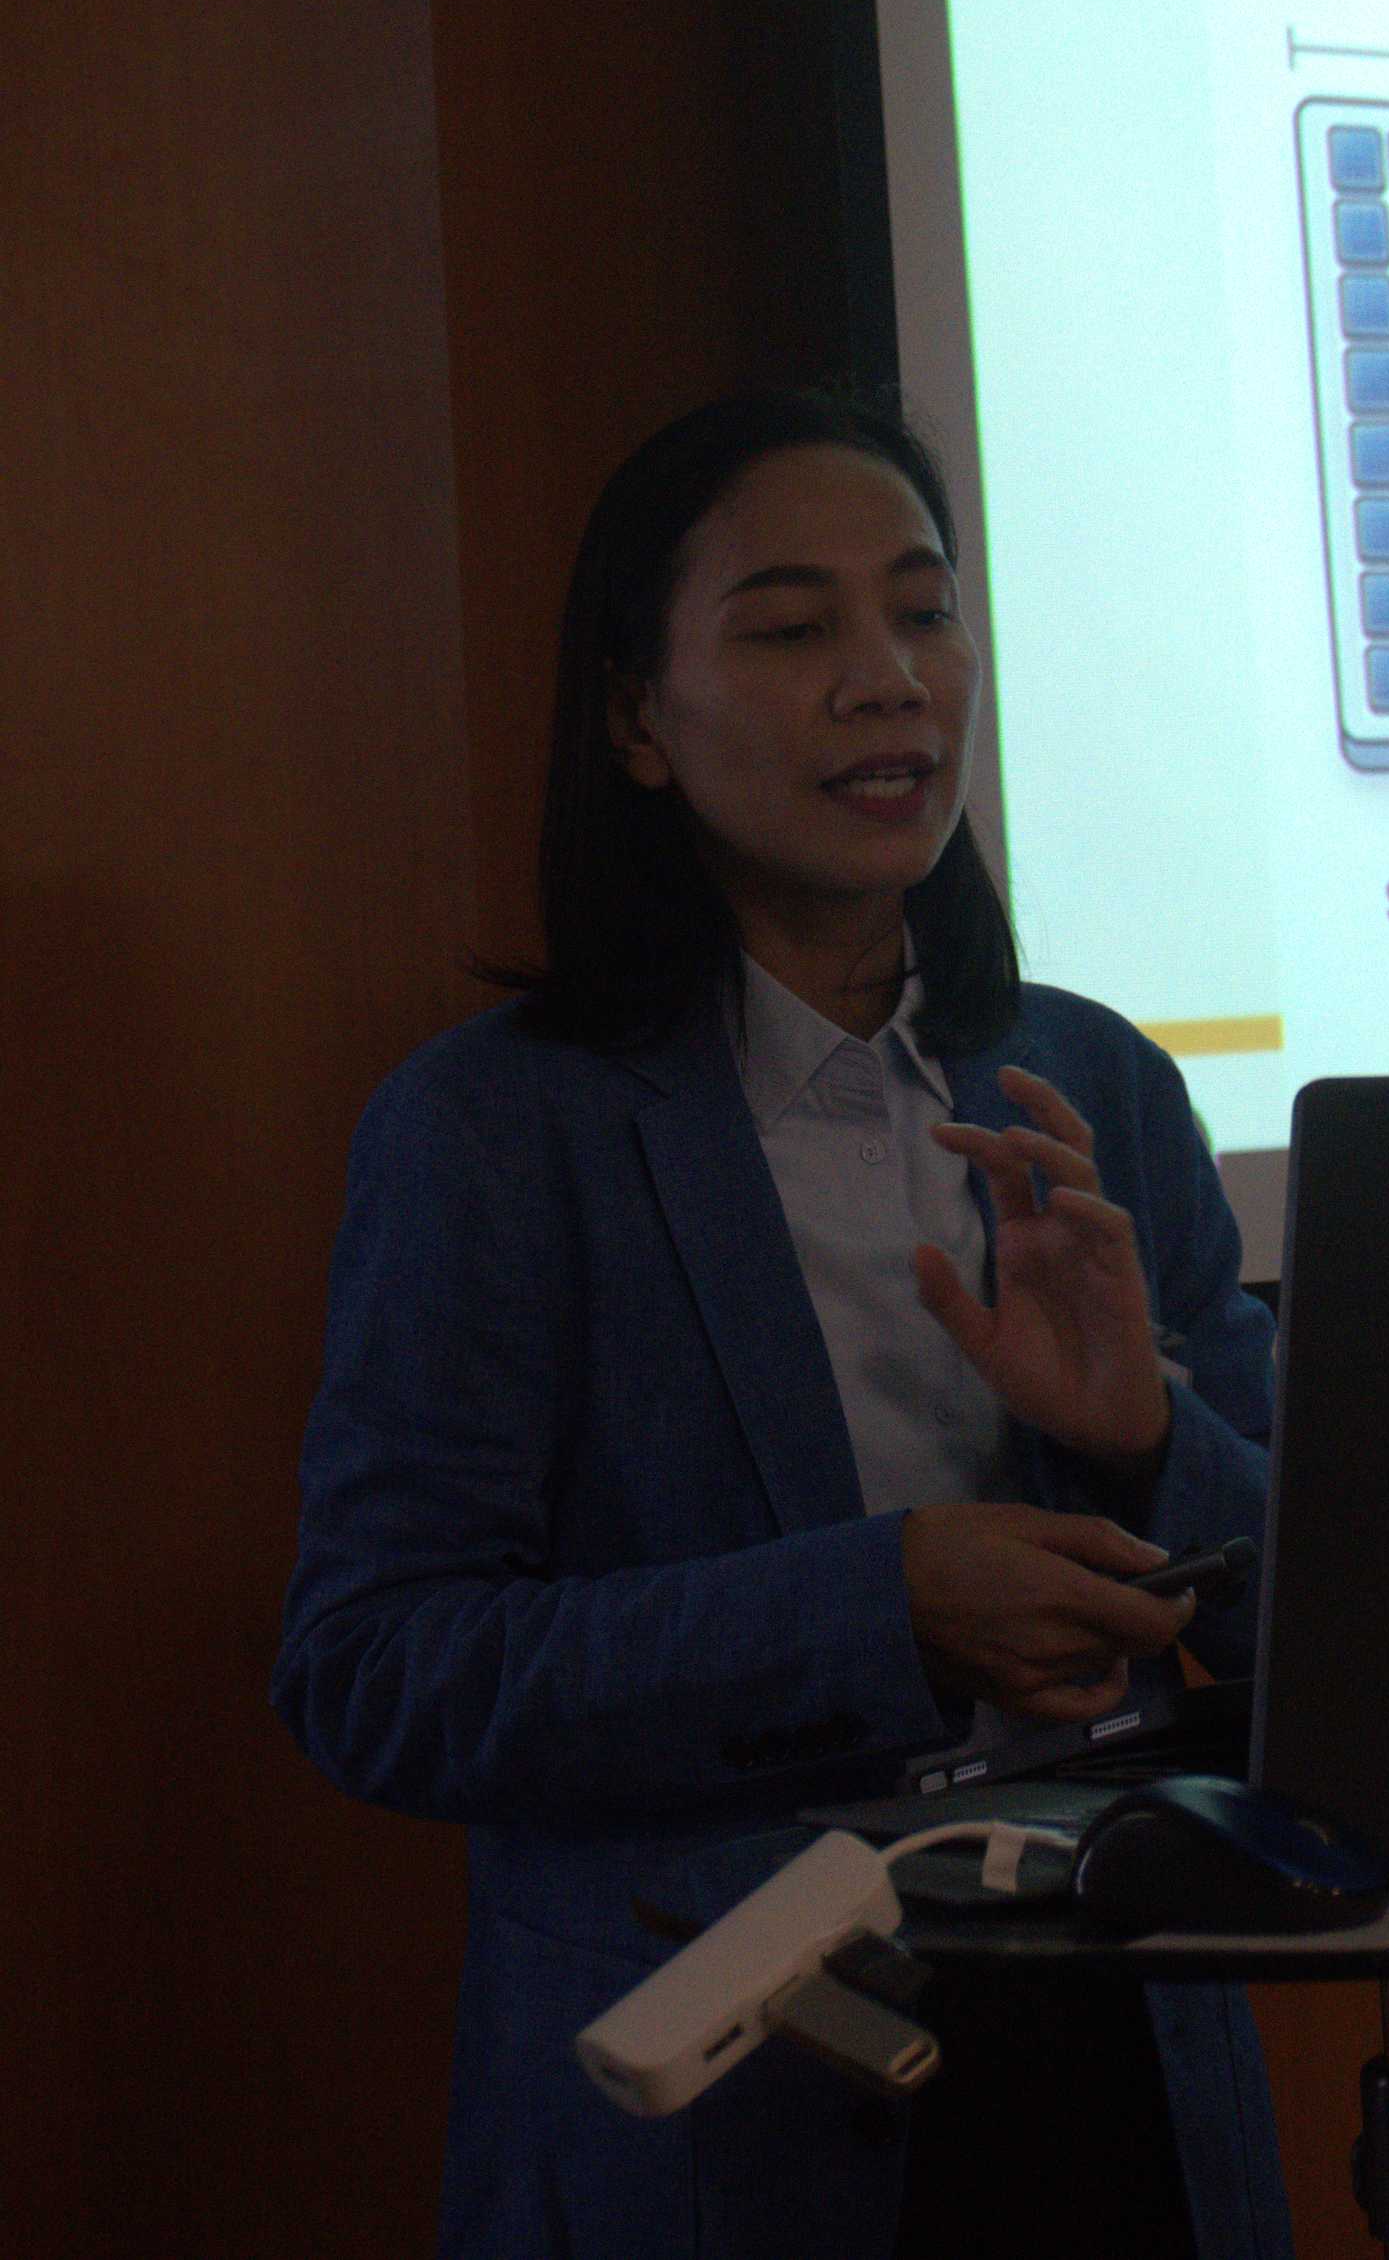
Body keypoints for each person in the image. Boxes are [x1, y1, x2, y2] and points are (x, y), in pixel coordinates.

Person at [273, 387, 1288, 2259]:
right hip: (729, 2105)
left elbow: (1319, 1615)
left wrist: (1150, 1440)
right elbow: (380, 1670)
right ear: (635, 720)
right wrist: (878, 1609)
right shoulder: (498, 1133)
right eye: (794, 626)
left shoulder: (1098, 1084)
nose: (888, 680)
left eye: (924, 610)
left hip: (1124, 2057)